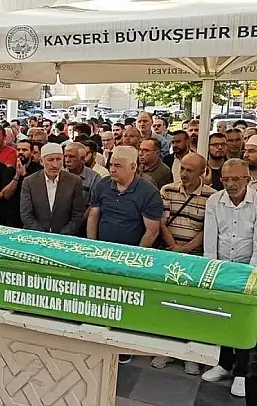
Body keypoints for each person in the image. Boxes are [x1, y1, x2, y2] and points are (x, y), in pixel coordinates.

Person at [87, 146, 163, 364]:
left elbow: (152, 230)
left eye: (118, 166)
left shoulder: (148, 191)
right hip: (102, 253)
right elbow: (93, 216)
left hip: (131, 257)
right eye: (111, 164)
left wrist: (135, 258)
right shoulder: (103, 185)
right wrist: (92, 247)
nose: (112, 169)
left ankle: (124, 345)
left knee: (126, 302)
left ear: (133, 167)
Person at [150, 153, 214, 375]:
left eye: (190, 170)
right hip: (169, 254)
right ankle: (166, 349)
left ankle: (189, 353)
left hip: (195, 257)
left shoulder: (211, 196)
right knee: (166, 303)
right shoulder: (167, 190)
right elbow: (162, 223)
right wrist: (174, 247)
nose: (184, 174)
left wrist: (186, 249)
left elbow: (207, 229)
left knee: (190, 306)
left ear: (202, 172)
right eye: (182, 169)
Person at [202, 158, 257, 398]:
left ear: (248, 179)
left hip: (249, 269)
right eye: (226, 179)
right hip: (223, 267)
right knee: (222, 315)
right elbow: (210, 241)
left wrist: (249, 278)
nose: (230, 184)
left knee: (244, 320)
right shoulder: (214, 201)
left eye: (236, 179)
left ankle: (242, 372)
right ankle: (224, 364)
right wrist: (213, 271)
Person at [20, 143, 85, 235]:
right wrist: (43, 236)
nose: (55, 165)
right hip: (36, 235)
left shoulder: (74, 181)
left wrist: (61, 235)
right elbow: (26, 214)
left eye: (58, 159)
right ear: (41, 161)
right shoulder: (29, 182)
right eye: (50, 160)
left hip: (65, 236)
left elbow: (78, 215)